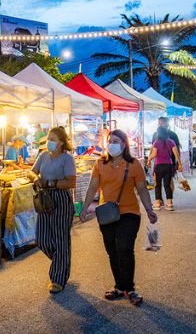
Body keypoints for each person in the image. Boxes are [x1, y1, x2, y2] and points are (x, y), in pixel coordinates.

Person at [80, 129, 157, 306]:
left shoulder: (134, 164)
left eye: (115, 141)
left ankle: (129, 288)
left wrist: (149, 210)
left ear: (123, 144)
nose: (111, 144)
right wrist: (84, 209)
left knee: (124, 248)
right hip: (107, 214)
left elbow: (142, 189)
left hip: (130, 213)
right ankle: (119, 286)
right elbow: (92, 187)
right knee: (112, 251)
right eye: (110, 141)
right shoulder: (100, 163)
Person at [27, 126, 77, 294]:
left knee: (61, 238)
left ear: (62, 142)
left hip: (61, 199)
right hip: (44, 199)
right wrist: (36, 179)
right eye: (48, 138)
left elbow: (71, 182)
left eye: (53, 139)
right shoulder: (43, 156)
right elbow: (31, 172)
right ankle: (61, 261)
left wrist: (51, 183)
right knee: (42, 239)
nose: (49, 142)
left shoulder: (67, 159)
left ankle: (58, 279)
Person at [146, 126, 181, 211]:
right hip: (168, 165)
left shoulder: (156, 142)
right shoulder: (171, 142)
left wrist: (149, 160)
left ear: (158, 133)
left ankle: (157, 203)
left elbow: (154, 154)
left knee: (157, 185)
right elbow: (176, 154)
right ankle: (169, 204)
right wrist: (180, 164)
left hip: (159, 166)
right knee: (167, 185)